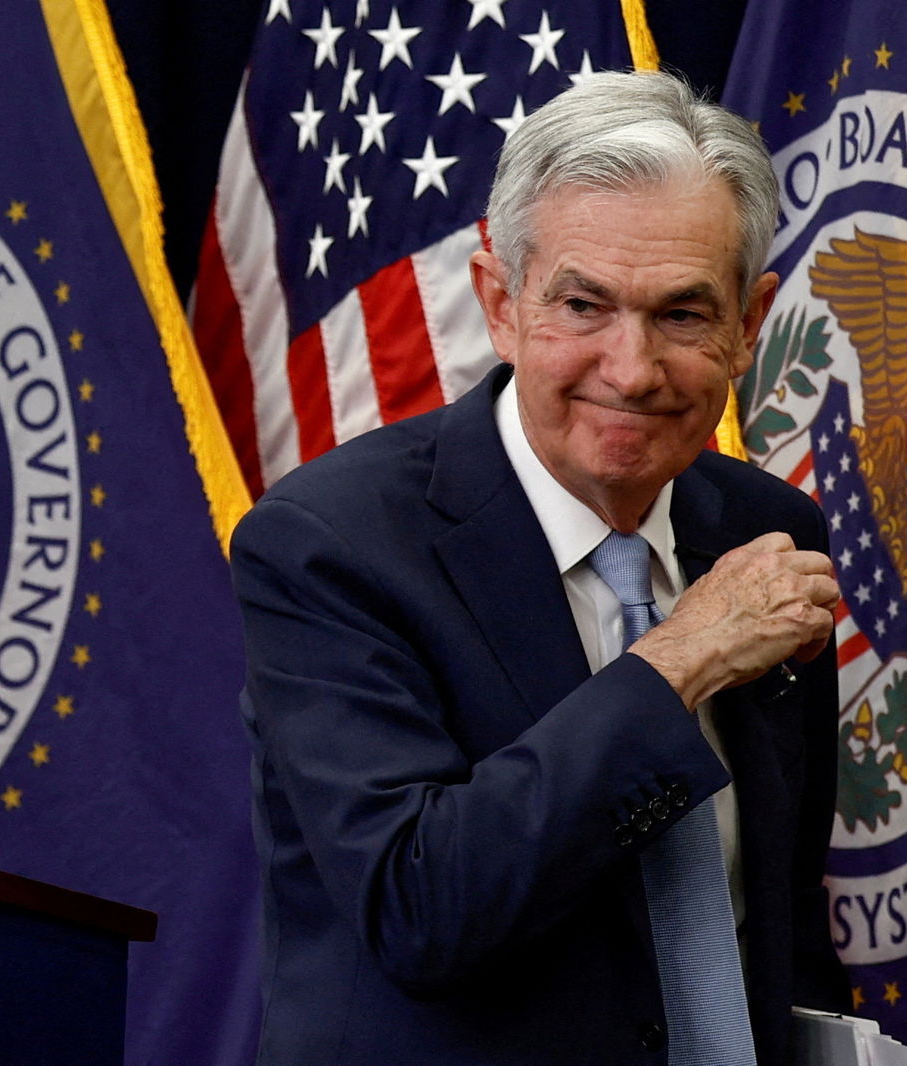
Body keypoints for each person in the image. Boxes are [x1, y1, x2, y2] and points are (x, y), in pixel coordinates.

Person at [231, 70, 849, 1066]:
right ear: (501, 303)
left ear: (749, 325)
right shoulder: (328, 543)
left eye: (684, 316)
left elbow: (775, 923)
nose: (631, 367)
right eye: (583, 304)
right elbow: (420, 907)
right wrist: (679, 658)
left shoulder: (767, 534)